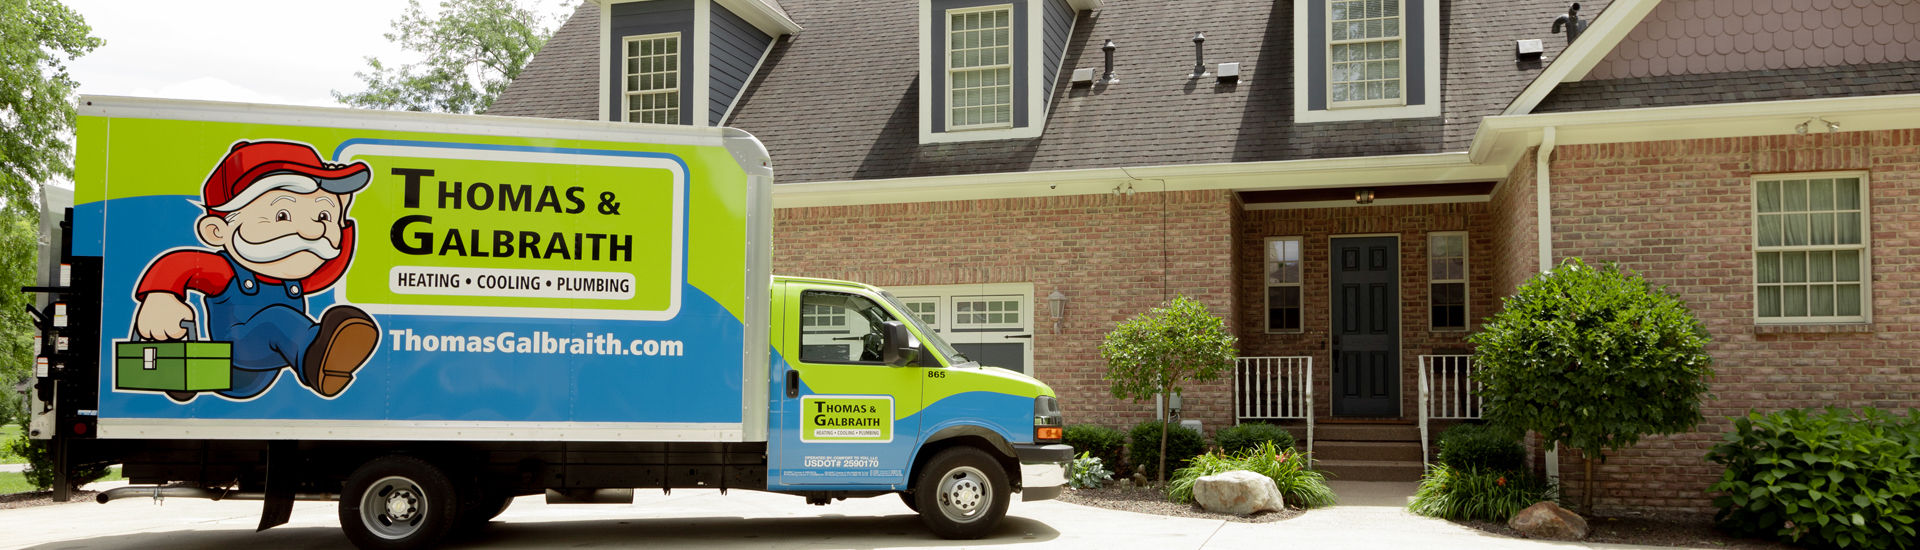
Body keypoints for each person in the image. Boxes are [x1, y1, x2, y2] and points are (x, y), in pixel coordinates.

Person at [132, 140, 380, 400]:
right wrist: (161, 298)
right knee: (277, 319)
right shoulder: (226, 271)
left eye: (322, 217)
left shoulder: (293, 279)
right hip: (237, 359)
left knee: (279, 320)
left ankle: (189, 377)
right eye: (283, 215)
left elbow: (330, 267)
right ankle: (317, 359)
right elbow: (181, 263)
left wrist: (341, 215)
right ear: (217, 231)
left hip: (269, 366)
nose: (314, 231)